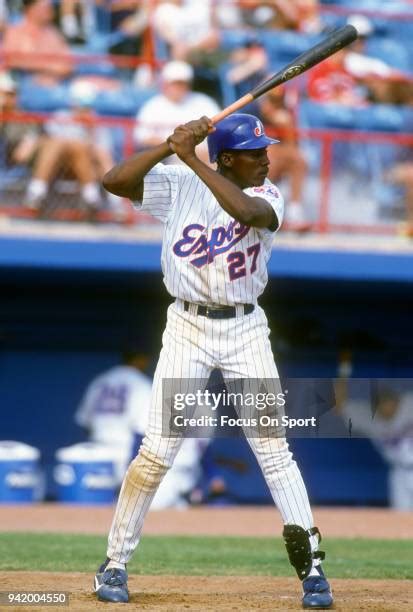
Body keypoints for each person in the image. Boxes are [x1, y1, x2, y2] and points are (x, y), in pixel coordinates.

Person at [93, 113, 334, 609]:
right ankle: (114, 564)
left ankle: (312, 570)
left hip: (245, 328)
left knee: (273, 450)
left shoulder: (267, 195)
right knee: (157, 451)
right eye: (254, 152)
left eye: (266, 149)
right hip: (187, 326)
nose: (266, 158)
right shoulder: (182, 182)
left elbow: (244, 213)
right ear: (226, 157)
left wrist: (190, 158)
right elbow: (113, 180)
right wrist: (170, 145)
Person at [76, 350, 211, 509]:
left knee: (99, 508)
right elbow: (142, 434)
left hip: (96, 456)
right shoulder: (144, 386)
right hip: (129, 456)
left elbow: (84, 424)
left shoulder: (100, 382)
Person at [335, 380, 413, 510]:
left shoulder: (409, 404)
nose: (385, 407)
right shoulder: (369, 418)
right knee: (401, 517)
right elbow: (339, 407)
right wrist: (341, 381)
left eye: (388, 402)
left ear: (396, 400)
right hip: (398, 473)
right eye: (380, 404)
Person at [134, 60, 220, 165]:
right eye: (175, 83)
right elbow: (143, 137)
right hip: (168, 158)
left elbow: (217, 129)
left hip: (204, 157)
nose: (178, 88)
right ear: (165, 84)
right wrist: (178, 147)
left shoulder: (203, 102)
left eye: (182, 83)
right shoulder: (153, 106)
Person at [258, 85, 310, 230]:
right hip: (255, 162)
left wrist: (285, 125)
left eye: (278, 101)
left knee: (298, 161)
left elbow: (292, 147)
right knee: (270, 158)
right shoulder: (253, 115)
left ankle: (294, 212)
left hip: (276, 159)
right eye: (272, 101)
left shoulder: (285, 116)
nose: (275, 105)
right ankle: (264, 209)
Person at [2, 0, 74, 85]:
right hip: (21, 88)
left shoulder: (53, 34)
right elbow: (11, 61)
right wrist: (47, 66)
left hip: (52, 88)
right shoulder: (15, 32)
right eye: (44, 7)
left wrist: (39, 67)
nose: (50, 11)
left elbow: (67, 66)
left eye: (49, 7)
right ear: (30, 9)